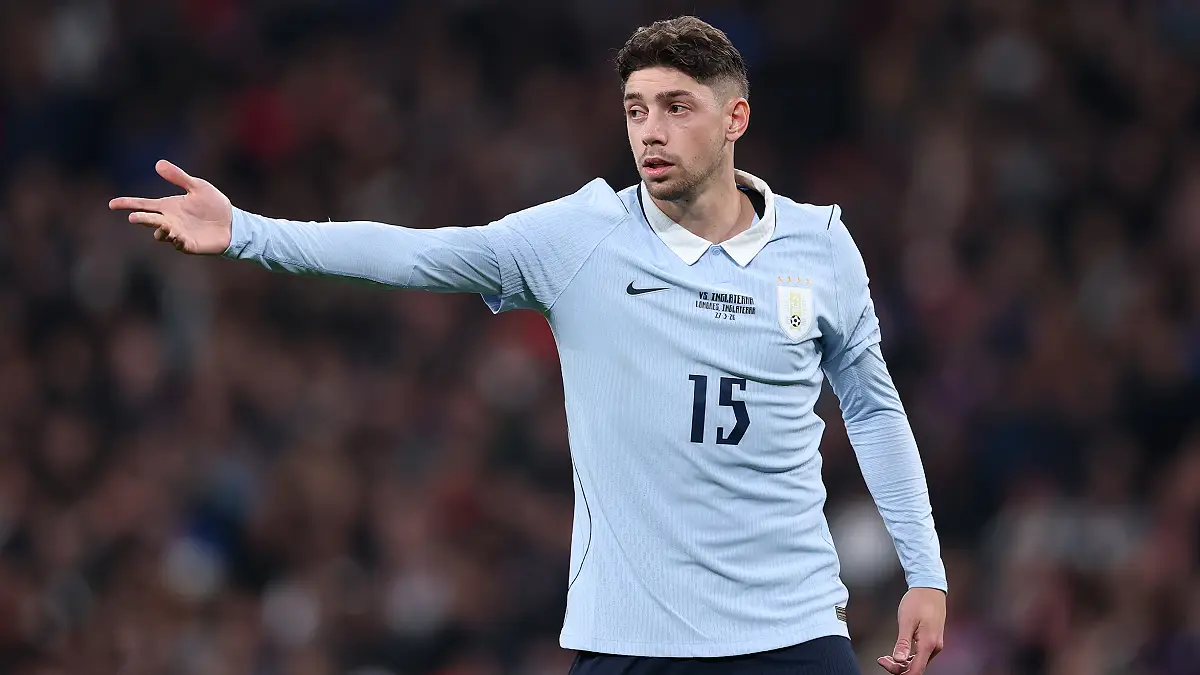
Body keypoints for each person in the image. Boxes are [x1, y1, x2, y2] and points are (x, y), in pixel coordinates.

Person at [110, 15, 947, 675]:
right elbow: (417, 253)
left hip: (790, 631)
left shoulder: (820, 246)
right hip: (636, 637)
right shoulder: (581, 236)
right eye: (635, 109)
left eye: (675, 107)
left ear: (736, 118)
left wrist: (926, 570)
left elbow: (872, 406)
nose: (649, 131)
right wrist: (249, 231)